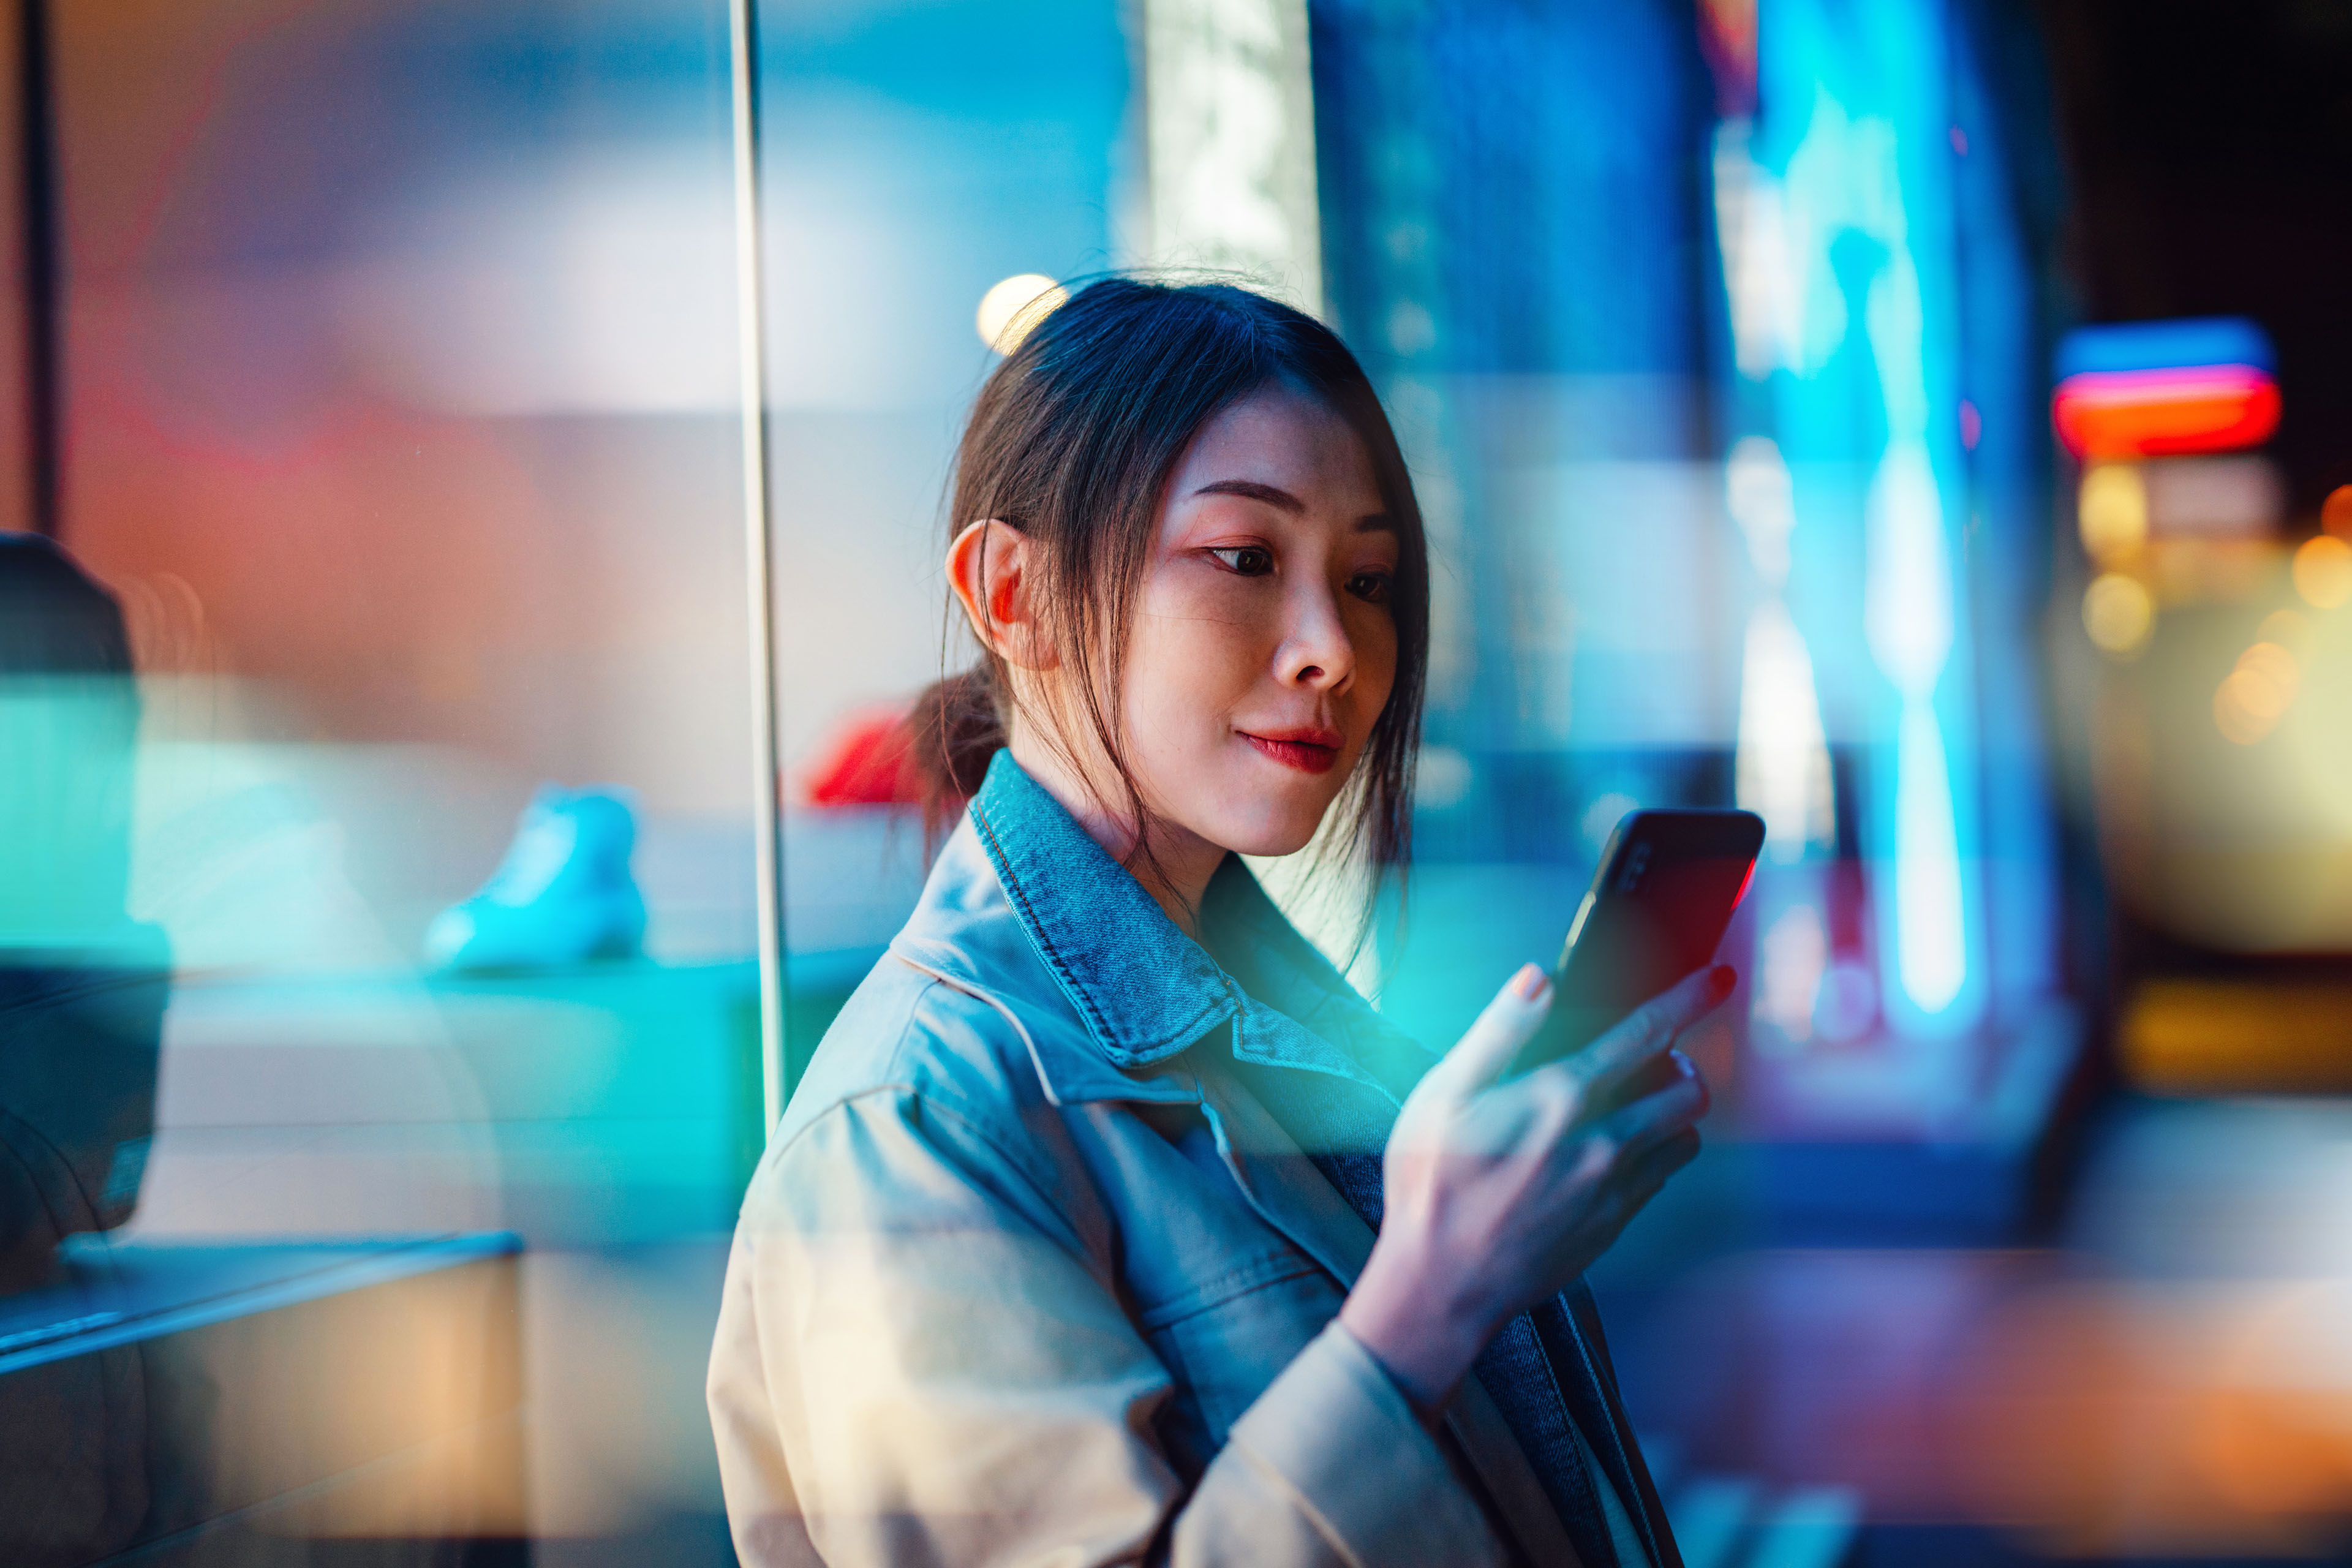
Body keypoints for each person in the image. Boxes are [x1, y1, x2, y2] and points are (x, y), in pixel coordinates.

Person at [707, 278, 1727, 1567]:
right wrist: (1427, 1298)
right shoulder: (914, 1125)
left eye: (1368, 578)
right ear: (1011, 595)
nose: (1336, 651)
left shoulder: (1287, 1033)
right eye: (1245, 558)